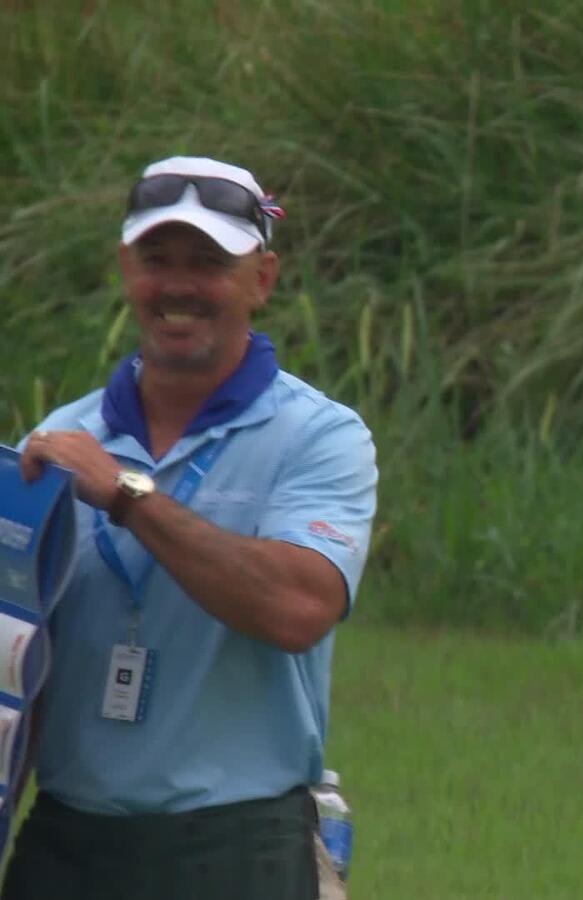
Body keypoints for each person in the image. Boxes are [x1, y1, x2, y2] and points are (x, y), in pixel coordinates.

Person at [6, 156, 376, 900]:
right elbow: (20, 667)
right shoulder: (60, 438)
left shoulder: (321, 437)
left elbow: (297, 609)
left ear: (261, 279)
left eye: (209, 263)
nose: (178, 287)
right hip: (68, 842)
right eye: (156, 261)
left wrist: (127, 497)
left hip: (238, 845)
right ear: (125, 268)